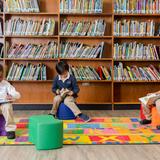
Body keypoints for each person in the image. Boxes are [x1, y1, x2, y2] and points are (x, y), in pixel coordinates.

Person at [0, 64, 21, 139]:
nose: (0, 79)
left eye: (1, 77)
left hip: (3, 104)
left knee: (8, 107)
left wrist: (12, 96)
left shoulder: (6, 84)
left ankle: (10, 130)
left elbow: (18, 95)